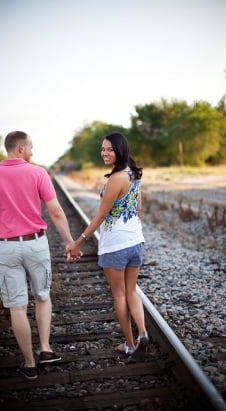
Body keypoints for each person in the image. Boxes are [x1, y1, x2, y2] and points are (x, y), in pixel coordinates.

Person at [0, 130, 78, 380]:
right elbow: (55, 212)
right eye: (31, 147)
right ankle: (45, 348)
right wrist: (69, 242)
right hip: (35, 244)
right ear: (20, 148)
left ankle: (29, 364)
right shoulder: (37, 173)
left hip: (6, 246)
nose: (33, 151)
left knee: (17, 307)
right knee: (43, 296)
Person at [69, 131, 149, 362]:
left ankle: (131, 345)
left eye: (109, 149)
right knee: (131, 291)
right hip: (136, 241)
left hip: (116, 246)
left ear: (119, 150)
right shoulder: (134, 174)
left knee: (119, 295)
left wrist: (78, 242)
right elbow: (138, 209)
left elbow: (100, 217)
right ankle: (142, 333)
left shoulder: (116, 179)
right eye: (103, 148)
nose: (104, 152)